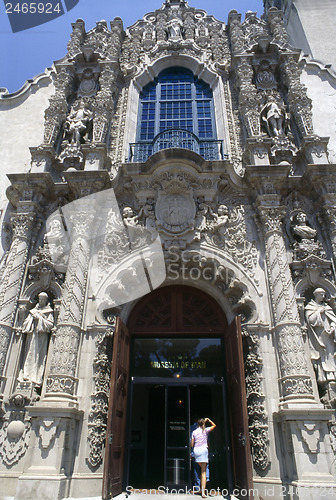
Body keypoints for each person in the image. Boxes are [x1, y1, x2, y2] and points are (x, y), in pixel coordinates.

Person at [305, 288, 336, 407]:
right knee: (322, 358)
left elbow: (334, 320)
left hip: (329, 338)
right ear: (316, 295)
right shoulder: (310, 307)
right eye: (321, 294)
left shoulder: (327, 307)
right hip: (318, 338)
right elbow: (311, 320)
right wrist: (319, 312)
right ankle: (326, 389)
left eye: (324, 294)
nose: (323, 296)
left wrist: (333, 328)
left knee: (330, 357)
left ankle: (332, 384)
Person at [18, 292, 54, 389]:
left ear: (46, 301)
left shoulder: (49, 311)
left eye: (42, 299)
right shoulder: (32, 311)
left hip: (41, 338)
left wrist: (39, 319)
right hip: (31, 336)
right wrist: (32, 319)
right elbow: (25, 324)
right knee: (29, 355)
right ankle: (26, 375)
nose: (40, 301)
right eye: (39, 299)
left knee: (39, 357)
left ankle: (36, 378)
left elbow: (50, 325)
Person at [191, 417, 216, 497]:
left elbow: (192, 444)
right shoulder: (205, 430)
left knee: (201, 469)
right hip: (203, 451)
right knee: (203, 472)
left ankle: (200, 488)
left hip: (196, 451)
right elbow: (214, 426)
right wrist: (208, 420)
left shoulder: (194, 432)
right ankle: (203, 492)